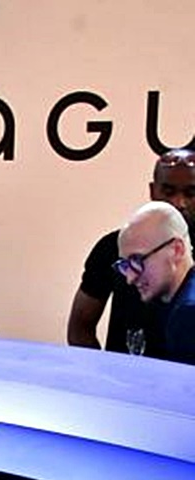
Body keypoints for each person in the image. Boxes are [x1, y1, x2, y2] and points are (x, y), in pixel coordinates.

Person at [66, 147, 195, 356]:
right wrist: (103, 372)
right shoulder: (112, 247)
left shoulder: (187, 310)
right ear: (153, 191)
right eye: (168, 191)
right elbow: (80, 327)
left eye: (191, 193)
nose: (179, 203)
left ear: (178, 251)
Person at [115, 201, 195, 365]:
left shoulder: (188, 315)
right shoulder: (165, 302)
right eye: (125, 265)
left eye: (137, 260)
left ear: (176, 250)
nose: (130, 278)